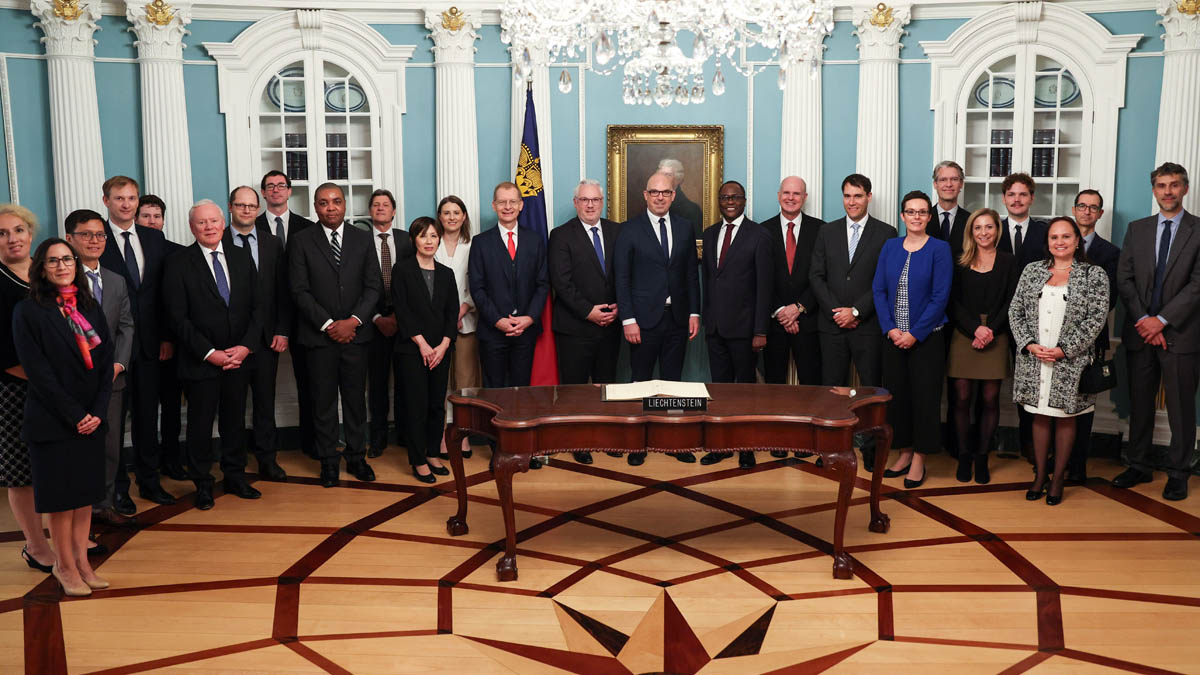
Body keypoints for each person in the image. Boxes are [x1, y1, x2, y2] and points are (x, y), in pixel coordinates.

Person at [13, 238, 114, 596]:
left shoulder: (88, 305)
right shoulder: (28, 311)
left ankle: (83, 564)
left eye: (67, 260)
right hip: (53, 420)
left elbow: (106, 362)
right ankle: (65, 566)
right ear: (41, 268)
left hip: (91, 420)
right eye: (53, 261)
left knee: (84, 497)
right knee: (61, 502)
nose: (61, 266)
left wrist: (97, 412)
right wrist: (76, 415)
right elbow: (38, 373)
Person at [162, 200, 263, 510]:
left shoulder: (241, 256)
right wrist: (209, 353)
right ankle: (203, 484)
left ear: (223, 223)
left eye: (214, 221)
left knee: (235, 422)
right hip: (200, 361)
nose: (209, 227)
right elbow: (177, 318)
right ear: (192, 228)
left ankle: (235, 476)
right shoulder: (178, 263)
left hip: (239, 359)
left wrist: (246, 347)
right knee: (200, 426)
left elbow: (258, 307)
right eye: (202, 222)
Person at [1113, 162, 1200, 501]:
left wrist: (1161, 321)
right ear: (1154, 190)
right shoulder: (1138, 229)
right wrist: (1145, 321)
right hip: (1140, 332)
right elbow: (1125, 278)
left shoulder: (1198, 230)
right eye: (1162, 185)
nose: (1168, 191)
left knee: (1181, 407)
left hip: (1181, 333)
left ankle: (1178, 473)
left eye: (1174, 185)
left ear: (1185, 189)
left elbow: (1197, 284)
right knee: (1140, 403)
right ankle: (1139, 464)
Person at [1009, 217, 1108, 505]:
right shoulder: (1032, 270)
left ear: (1077, 241)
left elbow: (1096, 319)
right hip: (1035, 358)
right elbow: (1016, 310)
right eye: (1054, 237)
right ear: (1047, 242)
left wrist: (1066, 350)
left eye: (1066, 236)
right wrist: (1029, 344)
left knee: (1065, 417)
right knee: (1039, 415)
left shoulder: (1094, 274)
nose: (1060, 242)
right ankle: (1040, 475)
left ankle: (1058, 479)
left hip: (1071, 360)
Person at [289, 183, 381, 488]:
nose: (331, 207)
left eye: (336, 201)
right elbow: (298, 290)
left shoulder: (363, 239)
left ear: (344, 204)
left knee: (355, 402)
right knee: (323, 403)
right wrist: (329, 324)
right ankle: (328, 461)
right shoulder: (301, 241)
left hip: (356, 337)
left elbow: (373, 286)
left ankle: (356, 458)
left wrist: (353, 321)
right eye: (324, 202)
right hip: (319, 339)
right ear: (315, 207)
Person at [98, 176, 177, 508]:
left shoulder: (153, 238)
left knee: (147, 417)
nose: (126, 204)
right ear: (106, 201)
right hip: (112, 348)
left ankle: (149, 482)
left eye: (131, 198)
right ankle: (117, 489)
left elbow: (165, 293)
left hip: (150, 346)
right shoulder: (96, 239)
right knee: (114, 423)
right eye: (119, 198)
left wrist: (167, 336)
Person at [613, 171, 701, 466]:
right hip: (642, 321)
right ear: (646, 195)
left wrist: (694, 312)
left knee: (673, 383)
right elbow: (622, 279)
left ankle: (673, 442)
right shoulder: (629, 230)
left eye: (665, 192)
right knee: (640, 382)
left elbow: (691, 274)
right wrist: (628, 319)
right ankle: (638, 444)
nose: (660, 197)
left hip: (677, 318)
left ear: (673, 195)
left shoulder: (685, 227)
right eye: (654, 192)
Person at [873, 191, 952, 488]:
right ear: (902, 215)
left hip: (927, 340)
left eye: (921, 212)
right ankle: (904, 452)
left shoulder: (940, 249)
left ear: (929, 217)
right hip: (893, 338)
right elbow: (879, 290)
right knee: (898, 399)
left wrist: (915, 334)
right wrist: (891, 329)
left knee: (924, 400)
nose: (916, 216)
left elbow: (940, 297)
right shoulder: (890, 246)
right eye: (910, 211)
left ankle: (919, 457)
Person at [64, 210, 136, 527]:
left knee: (110, 448)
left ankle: (102, 506)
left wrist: (119, 364)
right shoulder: (60, 280)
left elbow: (126, 326)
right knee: (77, 449)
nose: (94, 240)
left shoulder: (116, 280)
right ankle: (76, 514)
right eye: (86, 234)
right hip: (74, 382)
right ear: (70, 239)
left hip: (111, 381)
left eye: (100, 235)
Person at [548, 179, 621, 465]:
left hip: (611, 324)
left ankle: (606, 437)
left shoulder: (617, 231)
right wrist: (589, 311)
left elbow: (625, 274)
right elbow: (561, 282)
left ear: (602, 202)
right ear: (576, 202)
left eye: (595, 200)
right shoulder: (561, 235)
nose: (590, 205)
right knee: (575, 390)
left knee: (607, 386)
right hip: (575, 327)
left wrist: (619, 307)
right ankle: (577, 441)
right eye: (584, 200)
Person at [699, 181, 771, 468]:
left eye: (735, 197)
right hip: (715, 328)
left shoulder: (759, 235)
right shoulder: (710, 234)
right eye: (725, 197)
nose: (730, 201)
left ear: (744, 201)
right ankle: (721, 445)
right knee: (719, 390)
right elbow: (709, 281)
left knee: (745, 392)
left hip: (745, 329)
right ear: (719, 201)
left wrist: (760, 330)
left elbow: (764, 287)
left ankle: (746, 447)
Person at [0, 204, 55, 574]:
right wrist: (46, 381)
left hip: (58, 387)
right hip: (14, 388)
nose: (12, 239)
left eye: (18, 230)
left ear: (31, 234)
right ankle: (35, 546)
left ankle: (66, 536)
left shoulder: (50, 269)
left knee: (57, 465)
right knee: (22, 471)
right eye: (2, 234)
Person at [946, 208, 1018, 484]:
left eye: (989, 227)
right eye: (978, 227)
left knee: (989, 399)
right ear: (971, 231)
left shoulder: (1009, 261)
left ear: (997, 230)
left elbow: (1012, 301)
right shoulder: (959, 260)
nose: (984, 232)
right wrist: (974, 328)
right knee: (962, 398)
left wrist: (990, 331)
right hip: (964, 333)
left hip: (996, 333)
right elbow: (952, 301)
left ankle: (982, 457)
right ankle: (964, 456)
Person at [225, 186, 289, 482]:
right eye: (241, 205)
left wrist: (282, 330)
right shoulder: (216, 239)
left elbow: (282, 290)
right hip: (231, 342)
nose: (247, 210)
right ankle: (234, 466)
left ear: (258, 208)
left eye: (251, 206)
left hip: (266, 339)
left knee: (265, 403)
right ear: (231, 207)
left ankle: (267, 460)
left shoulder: (272, 243)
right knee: (233, 407)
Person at [809, 174, 896, 390]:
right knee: (832, 391)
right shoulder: (827, 231)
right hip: (832, 327)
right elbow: (816, 276)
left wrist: (856, 311)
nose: (851, 202)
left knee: (871, 390)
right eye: (847, 196)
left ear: (869, 197)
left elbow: (886, 280)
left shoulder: (886, 233)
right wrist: (837, 313)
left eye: (858, 196)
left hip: (868, 326)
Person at [258, 170, 318, 460]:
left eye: (281, 185)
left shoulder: (308, 227)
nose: (276, 190)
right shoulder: (251, 226)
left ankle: (313, 442)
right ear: (263, 192)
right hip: (265, 319)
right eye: (270, 186)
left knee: (310, 383)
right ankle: (265, 451)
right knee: (262, 389)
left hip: (304, 317)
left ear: (289, 191)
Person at [393, 217, 458, 483]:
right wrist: (422, 345)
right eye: (423, 236)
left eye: (433, 236)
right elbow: (402, 311)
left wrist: (443, 345)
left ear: (439, 239)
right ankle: (418, 459)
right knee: (416, 405)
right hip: (412, 350)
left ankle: (432, 453)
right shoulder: (402, 269)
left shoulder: (446, 273)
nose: (429, 241)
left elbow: (452, 313)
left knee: (436, 404)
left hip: (441, 350)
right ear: (414, 240)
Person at [1067, 189, 1120, 483]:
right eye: (1082, 206)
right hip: (1054, 339)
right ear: (1074, 209)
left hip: (1091, 337)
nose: (1087, 211)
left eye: (1093, 207)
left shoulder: (1110, 253)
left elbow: (1107, 299)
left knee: (1084, 402)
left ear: (1099, 214)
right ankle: (1056, 459)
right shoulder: (1058, 243)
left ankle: (1077, 466)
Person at [997, 173, 1049, 460]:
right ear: (1004, 198)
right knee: (989, 385)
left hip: (1034, 322)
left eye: (1022, 194)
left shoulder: (1045, 232)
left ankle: (1030, 443)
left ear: (1031, 198)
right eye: (1011, 194)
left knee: (1030, 383)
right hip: (996, 320)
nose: (1016, 200)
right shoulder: (992, 229)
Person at [135, 194, 186, 483]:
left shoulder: (177, 253)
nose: (152, 221)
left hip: (172, 343)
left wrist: (168, 338)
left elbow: (175, 303)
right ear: (136, 219)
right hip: (140, 345)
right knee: (144, 409)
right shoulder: (128, 251)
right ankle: (147, 465)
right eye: (146, 216)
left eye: (157, 216)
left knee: (172, 405)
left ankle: (172, 460)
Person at [762, 176, 824, 389]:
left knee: (813, 387)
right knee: (773, 388)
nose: (791, 198)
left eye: (796, 193)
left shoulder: (821, 230)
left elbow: (823, 275)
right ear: (779, 196)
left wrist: (799, 307)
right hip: (774, 322)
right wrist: (781, 310)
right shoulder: (762, 231)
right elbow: (760, 278)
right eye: (786, 193)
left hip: (809, 322)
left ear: (804, 197)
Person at [365, 189, 414, 459]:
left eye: (386, 205)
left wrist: (399, 317)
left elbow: (415, 280)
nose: (381, 208)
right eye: (376, 204)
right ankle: (378, 438)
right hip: (372, 322)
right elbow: (355, 283)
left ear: (394, 211)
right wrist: (376, 317)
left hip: (404, 321)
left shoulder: (407, 239)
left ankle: (405, 435)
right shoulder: (359, 241)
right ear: (370, 211)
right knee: (378, 383)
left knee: (406, 380)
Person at [434, 195, 478, 459]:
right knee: (439, 384)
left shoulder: (474, 245)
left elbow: (479, 284)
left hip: (466, 321)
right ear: (440, 217)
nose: (451, 217)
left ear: (464, 217)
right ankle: (440, 435)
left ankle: (463, 435)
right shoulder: (431, 242)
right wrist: (445, 316)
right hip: (436, 326)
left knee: (465, 384)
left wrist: (462, 309)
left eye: (456, 212)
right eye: (446, 213)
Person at [657, 158, 704, 238]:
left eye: (667, 175)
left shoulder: (692, 210)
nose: (661, 178)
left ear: (678, 179)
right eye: (659, 174)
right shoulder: (652, 203)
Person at [934, 161, 971, 256]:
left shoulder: (971, 220)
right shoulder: (922, 218)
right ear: (935, 184)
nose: (949, 184)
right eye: (943, 179)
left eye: (954, 179)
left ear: (961, 184)